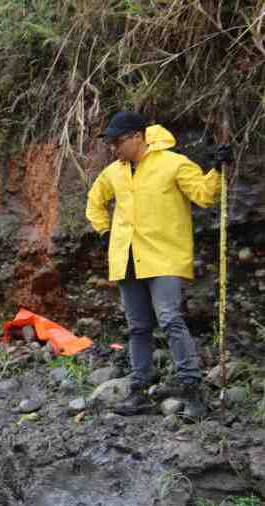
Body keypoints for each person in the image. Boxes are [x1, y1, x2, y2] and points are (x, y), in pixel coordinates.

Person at [86, 111, 232, 417]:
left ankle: (192, 388)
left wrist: (218, 169)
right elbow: (94, 201)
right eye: (111, 142)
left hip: (165, 256)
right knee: (138, 327)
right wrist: (104, 231)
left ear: (137, 137)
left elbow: (204, 195)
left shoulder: (173, 163)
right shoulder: (113, 172)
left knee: (169, 319)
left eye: (117, 141)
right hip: (125, 258)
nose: (113, 147)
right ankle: (139, 390)